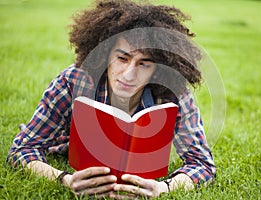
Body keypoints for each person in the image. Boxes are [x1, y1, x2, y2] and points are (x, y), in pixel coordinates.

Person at [7, 0, 216, 198]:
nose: (128, 74)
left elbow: (203, 164)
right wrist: (65, 180)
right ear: (106, 54)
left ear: (158, 69)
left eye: (144, 63)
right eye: (122, 58)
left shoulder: (173, 95)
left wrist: (164, 187)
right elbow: (22, 150)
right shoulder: (73, 81)